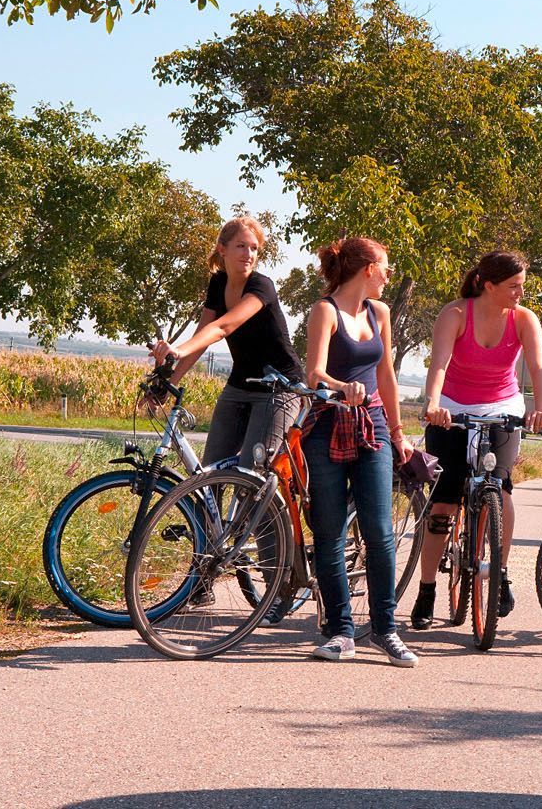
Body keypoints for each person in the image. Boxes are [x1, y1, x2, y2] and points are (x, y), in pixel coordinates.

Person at [411, 251, 542, 629]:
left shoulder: (524, 320)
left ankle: (500, 572)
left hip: (501, 407)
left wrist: (540, 407)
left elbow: (537, 368)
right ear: (488, 285)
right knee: (444, 500)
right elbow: (438, 364)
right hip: (453, 408)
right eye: (513, 286)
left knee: (501, 490)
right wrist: (433, 404)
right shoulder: (455, 314)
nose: (520, 293)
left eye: (523, 285)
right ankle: (427, 590)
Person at [300, 236, 417, 665]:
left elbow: (385, 375)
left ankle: (385, 629)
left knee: (380, 533)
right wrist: (338, 385)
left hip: (374, 429)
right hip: (327, 427)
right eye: (385, 266)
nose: (388, 274)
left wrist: (400, 432)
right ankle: (341, 632)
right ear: (367, 268)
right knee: (329, 533)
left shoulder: (380, 312)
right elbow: (314, 371)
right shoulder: (324, 311)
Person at [150, 214, 302, 470]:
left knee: (249, 475)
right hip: (239, 385)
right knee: (209, 474)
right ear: (223, 249)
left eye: (254, 248)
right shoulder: (218, 282)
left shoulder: (262, 286)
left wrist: (177, 350)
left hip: (279, 389)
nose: (249, 254)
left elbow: (222, 327)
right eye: (241, 246)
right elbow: (203, 336)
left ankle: (262, 509)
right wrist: (170, 383)